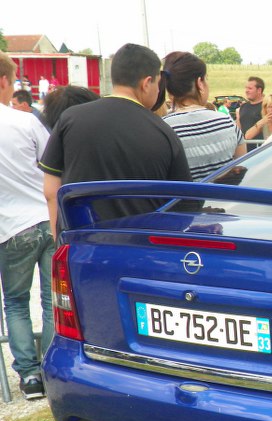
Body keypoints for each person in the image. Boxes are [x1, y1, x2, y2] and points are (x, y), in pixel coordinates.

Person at [39, 43, 191, 239]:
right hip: (142, 250)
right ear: (147, 83)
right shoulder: (164, 132)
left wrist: (60, 243)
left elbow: (52, 191)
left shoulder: (70, 118)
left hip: (83, 247)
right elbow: (185, 204)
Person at [0, 52, 54, 400]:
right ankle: (49, 366)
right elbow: (53, 162)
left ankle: (29, 376)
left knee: (16, 303)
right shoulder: (25, 121)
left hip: (9, 228)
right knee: (51, 300)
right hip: (45, 218)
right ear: (4, 81)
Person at [161, 51, 246, 181]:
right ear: (199, 82)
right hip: (221, 200)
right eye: (206, 78)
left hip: (182, 201)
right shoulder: (226, 122)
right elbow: (241, 169)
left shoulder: (163, 129)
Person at [237, 76, 265, 151]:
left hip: (261, 150)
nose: (246, 91)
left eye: (250, 88)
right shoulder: (243, 107)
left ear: (259, 90)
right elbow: (238, 130)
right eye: (246, 88)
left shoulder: (266, 107)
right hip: (245, 152)